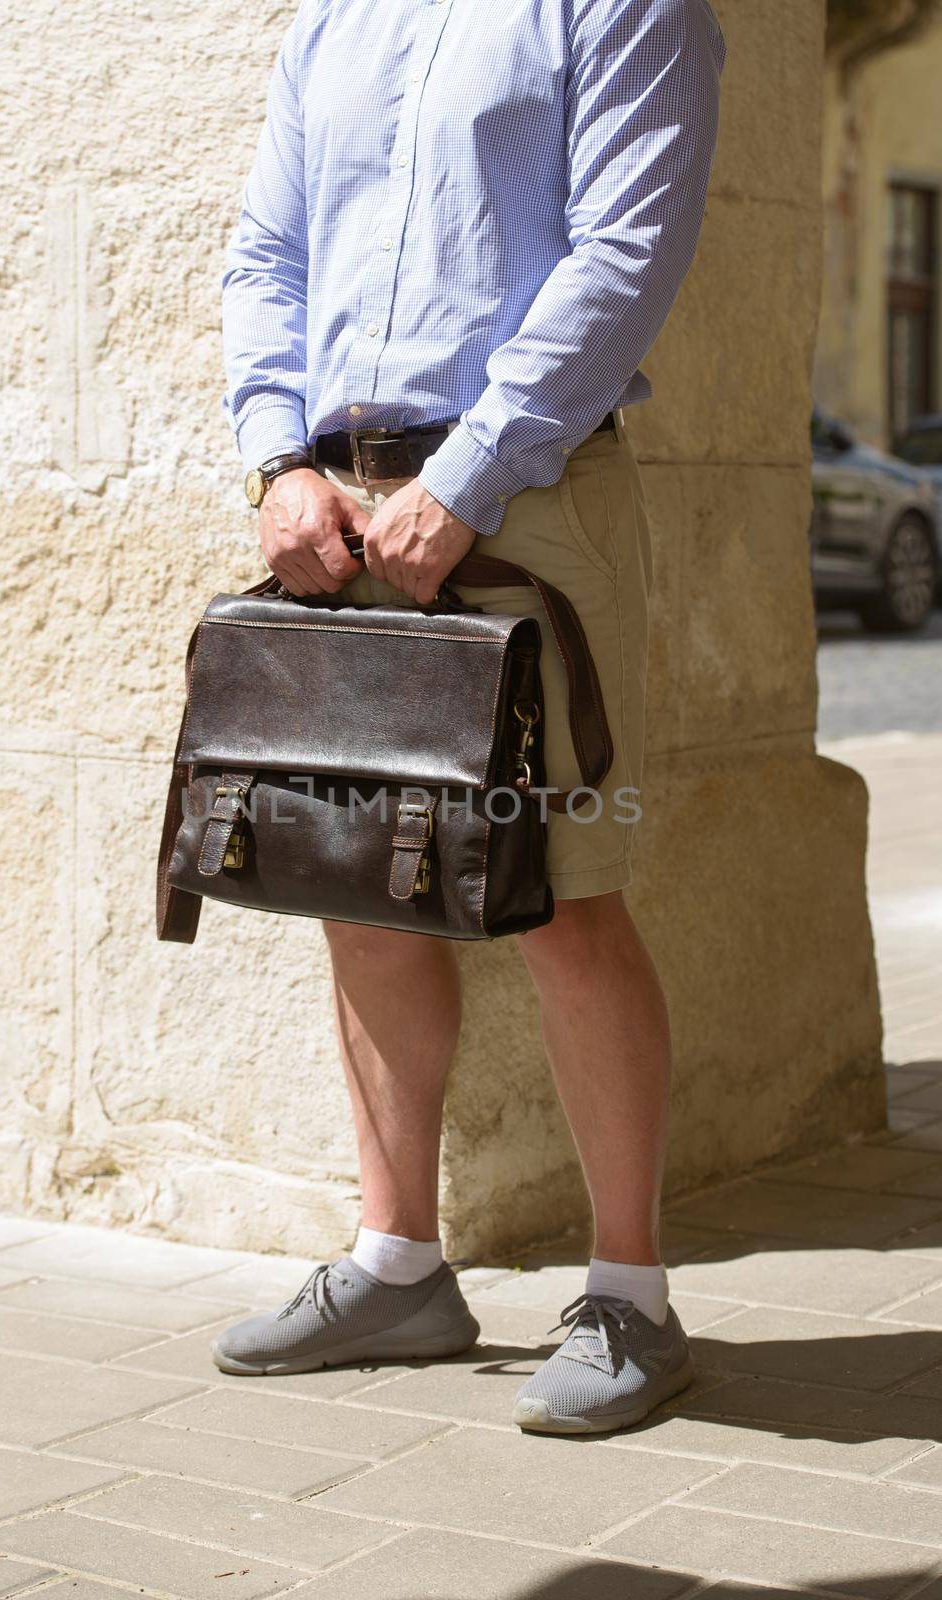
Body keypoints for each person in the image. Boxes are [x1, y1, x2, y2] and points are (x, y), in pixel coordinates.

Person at [211, 0, 725, 1435]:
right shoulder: (335, 22)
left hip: (531, 506)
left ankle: (631, 1293)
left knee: (566, 897)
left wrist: (470, 479)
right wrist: (277, 457)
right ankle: (397, 1266)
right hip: (335, 507)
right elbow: (266, 252)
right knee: (358, 887)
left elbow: (627, 252)